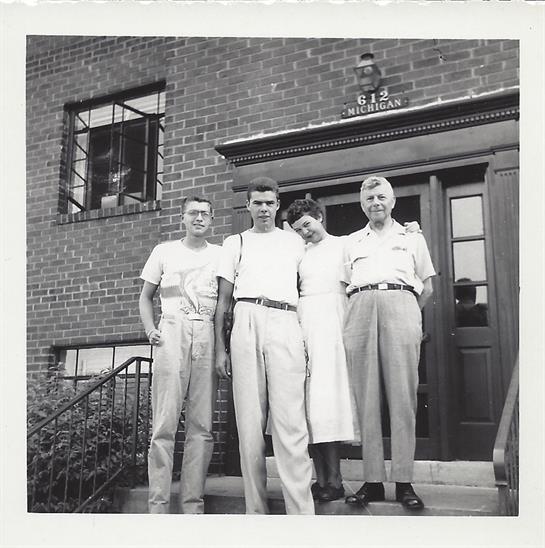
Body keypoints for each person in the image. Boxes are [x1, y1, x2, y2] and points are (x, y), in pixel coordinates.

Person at [214, 177, 314, 515]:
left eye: (269, 203)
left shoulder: (294, 242)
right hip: (247, 317)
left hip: (285, 319)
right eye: (257, 203)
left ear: (277, 205)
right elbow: (223, 301)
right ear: (248, 206)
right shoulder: (235, 242)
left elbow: (325, 259)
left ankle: (301, 513)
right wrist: (220, 349)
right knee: (249, 423)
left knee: (291, 421)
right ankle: (256, 511)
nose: (264, 209)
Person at [343, 176, 435, 511]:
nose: (376, 203)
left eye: (381, 197)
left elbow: (427, 287)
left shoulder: (412, 238)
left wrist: (406, 312)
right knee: (366, 399)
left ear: (393, 201)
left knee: (402, 398)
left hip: (401, 305)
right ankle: (372, 482)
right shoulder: (352, 242)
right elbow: (342, 285)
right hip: (361, 309)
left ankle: (404, 482)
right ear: (362, 204)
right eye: (369, 199)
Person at [139, 196, 221, 514]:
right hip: (172, 332)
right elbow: (145, 297)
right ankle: (158, 506)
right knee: (164, 424)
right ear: (182, 218)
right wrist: (150, 329)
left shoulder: (220, 254)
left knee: (201, 427)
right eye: (193, 213)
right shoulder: (164, 251)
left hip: (206, 332)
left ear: (211, 219)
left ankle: (192, 505)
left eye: (205, 213)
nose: (199, 218)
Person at [286, 198, 355, 503]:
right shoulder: (299, 253)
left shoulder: (344, 245)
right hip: (305, 322)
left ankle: (336, 480)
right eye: (298, 229)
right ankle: (320, 478)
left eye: (307, 225)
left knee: (329, 403)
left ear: (320, 217)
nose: (305, 232)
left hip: (334, 321)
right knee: (309, 405)